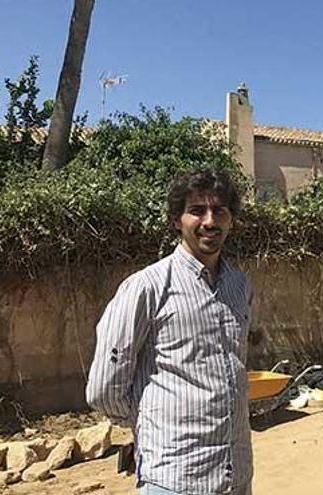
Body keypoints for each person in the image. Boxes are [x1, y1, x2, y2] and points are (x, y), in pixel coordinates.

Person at [86, 169, 253, 495]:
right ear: (177, 220)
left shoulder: (240, 286)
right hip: (176, 479)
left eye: (219, 211)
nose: (209, 221)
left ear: (231, 219)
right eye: (196, 210)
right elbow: (103, 389)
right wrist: (155, 423)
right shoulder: (145, 288)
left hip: (237, 475)